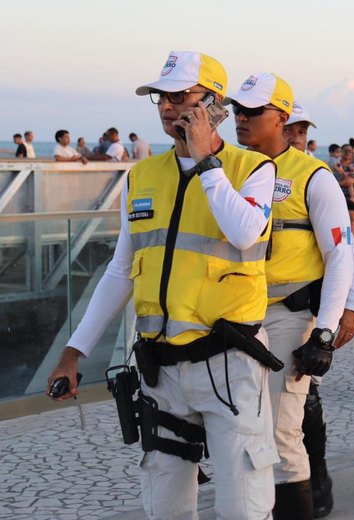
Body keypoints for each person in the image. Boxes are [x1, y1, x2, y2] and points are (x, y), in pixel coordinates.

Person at [46, 50, 279, 519]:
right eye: (161, 98)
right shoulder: (142, 176)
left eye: (180, 96)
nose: (168, 107)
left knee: (244, 508)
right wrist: (74, 352)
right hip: (162, 371)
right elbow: (120, 269)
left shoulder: (251, 169)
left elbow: (245, 230)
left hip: (230, 366)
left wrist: (205, 161)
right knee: (165, 506)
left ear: (214, 103)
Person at [228, 72, 354, 519]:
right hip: (233, 317)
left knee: (282, 430)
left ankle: (308, 494)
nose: (240, 119)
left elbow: (341, 252)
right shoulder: (227, 169)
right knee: (241, 427)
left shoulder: (312, 177)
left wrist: (325, 331)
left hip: (287, 314)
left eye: (252, 111)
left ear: (281, 118)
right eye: (236, 111)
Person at [281, 98, 354, 518]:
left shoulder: (317, 176)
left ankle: (317, 471)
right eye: (290, 128)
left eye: (301, 130)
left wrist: (351, 306)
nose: (296, 136)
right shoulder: (244, 171)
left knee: (304, 394)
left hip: (304, 308)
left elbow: (344, 247)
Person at [337, 144, 354, 234]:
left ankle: (351, 242)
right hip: (338, 196)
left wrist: (353, 180)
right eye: (345, 150)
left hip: (353, 197)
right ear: (341, 152)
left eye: (350, 151)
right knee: (339, 221)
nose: (348, 153)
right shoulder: (336, 165)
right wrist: (342, 183)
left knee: (352, 218)